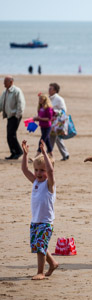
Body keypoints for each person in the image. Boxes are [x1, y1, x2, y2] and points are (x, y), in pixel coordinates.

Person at [21, 139, 58, 280]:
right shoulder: (35, 181)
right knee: (38, 246)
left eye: (42, 170)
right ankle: (53, 263)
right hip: (35, 220)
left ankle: (41, 272)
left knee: (40, 247)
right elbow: (25, 170)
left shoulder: (50, 185)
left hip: (46, 222)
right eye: (36, 170)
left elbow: (51, 170)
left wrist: (44, 153)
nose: (38, 173)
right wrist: (25, 155)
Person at [0, 76, 26, 160]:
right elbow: (1, 104)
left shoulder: (17, 91)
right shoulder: (5, 92)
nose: (4, 83)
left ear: (11, 82)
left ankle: (18, 152)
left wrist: (17, 115)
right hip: (9, 116)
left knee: (11, 135)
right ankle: (13, 152)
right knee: (9, 135)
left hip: (15, 116)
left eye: (5, 82)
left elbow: (21, 103)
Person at [48, 83, 70, 161]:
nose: (49, 90)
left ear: (55, 90)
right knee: (56, 138)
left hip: (57, 122)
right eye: (49, 88)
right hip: (50, 121)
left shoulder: (59, 99)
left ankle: (48, 154)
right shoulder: (48, 98)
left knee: (52, 137)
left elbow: (64, 111)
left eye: (51, 89)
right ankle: (65, 154)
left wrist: (54, 112)